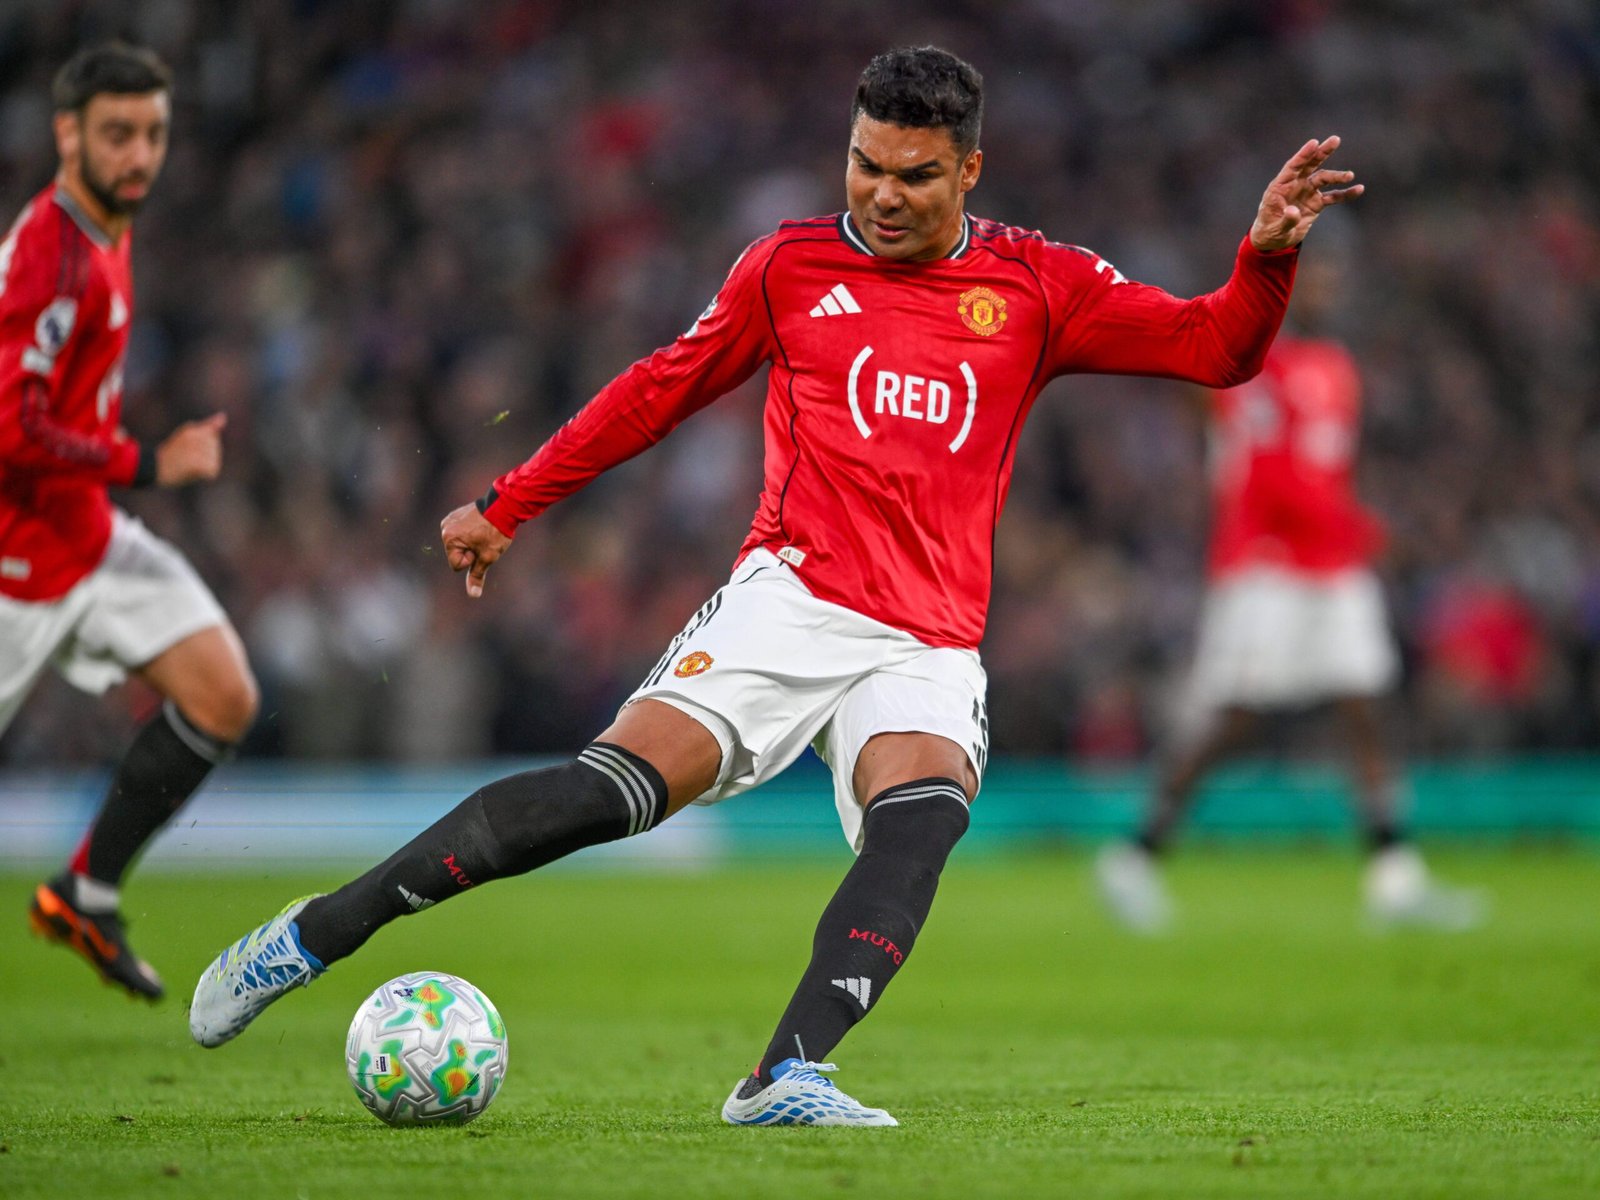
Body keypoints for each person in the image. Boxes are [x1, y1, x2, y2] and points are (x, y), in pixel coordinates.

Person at [190, 46, 1358, 1125]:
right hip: (789, 602)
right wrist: (509, 503)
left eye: (914, 175)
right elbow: (658, 389)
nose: (882, 195)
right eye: (864, 164)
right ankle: (311, 935)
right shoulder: (789, 268)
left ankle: (783, 1074)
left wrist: (1264, 257)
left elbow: (1216, 349)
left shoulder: (1038, 284)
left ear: (968, 171)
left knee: (921, 818)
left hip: (928, 636)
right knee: (606, 796)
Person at [1095, 258, 1483, 933]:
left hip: (1333, 563)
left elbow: (1330, 471)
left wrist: (1351, 531)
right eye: (1316, 279)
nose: (1329, 291)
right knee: (1238, 718)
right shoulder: (1253, 364)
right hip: (1266, 565)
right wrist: (1366, 531)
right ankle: (1136, 854)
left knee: (1365, 704)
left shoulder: (1337, 367)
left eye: (1335, 280)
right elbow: (1270, 475)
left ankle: (1394, 874)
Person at [3, 43, 259, 999]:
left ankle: (86, 893)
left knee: (222, 694)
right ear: (66, 135)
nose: (140, 154)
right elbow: (10, 427)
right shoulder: (51, 253)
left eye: (153, 133)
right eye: (118, 134)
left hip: (85, 536)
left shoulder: (106, 228)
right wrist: (152, 463)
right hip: (13, 566)